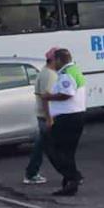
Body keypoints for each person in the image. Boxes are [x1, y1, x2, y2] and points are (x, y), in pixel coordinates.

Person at [39, 48, 86, 196]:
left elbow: (67, 94)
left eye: (52, 61)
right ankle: (69, 185)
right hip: (74, 116)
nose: (52, 64)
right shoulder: (74, 70)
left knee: (50, 146)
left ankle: (73, 177)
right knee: (67, 152)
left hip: (68, 118)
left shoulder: (66, 74)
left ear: (59, 60)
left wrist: (48, 97)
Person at [23, 48, 60, 186]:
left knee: (42, 145)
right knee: (52, 147)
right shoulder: (50, 75)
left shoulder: (44, 72)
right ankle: (70, 174)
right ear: (55, 60)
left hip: (43, 115)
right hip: (46, 116)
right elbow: (47, 98)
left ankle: (31, 172)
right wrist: (49, 117)